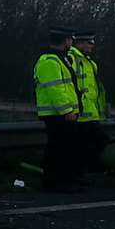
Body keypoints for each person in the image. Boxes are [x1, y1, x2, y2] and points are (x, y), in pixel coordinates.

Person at [34, 27, 83, 193]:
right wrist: (67, 111)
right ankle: (55, 183)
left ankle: (61, 181)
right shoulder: (50, 61)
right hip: (57, 114)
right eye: (71, 39)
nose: (72, 42)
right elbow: (55, 89)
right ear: (66, 40)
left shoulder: (60, 59)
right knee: (58, 150)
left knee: (63, 148)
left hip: (61, 113)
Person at [70, 30, 110, 183]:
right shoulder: (73, 59)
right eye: (90, 43)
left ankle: (88, 171)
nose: (92, 46)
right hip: (80, 113)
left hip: (91, 113)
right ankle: (83, 174)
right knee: (85, 145)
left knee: (99, 140)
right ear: (80, 43)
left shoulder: (90, 63)